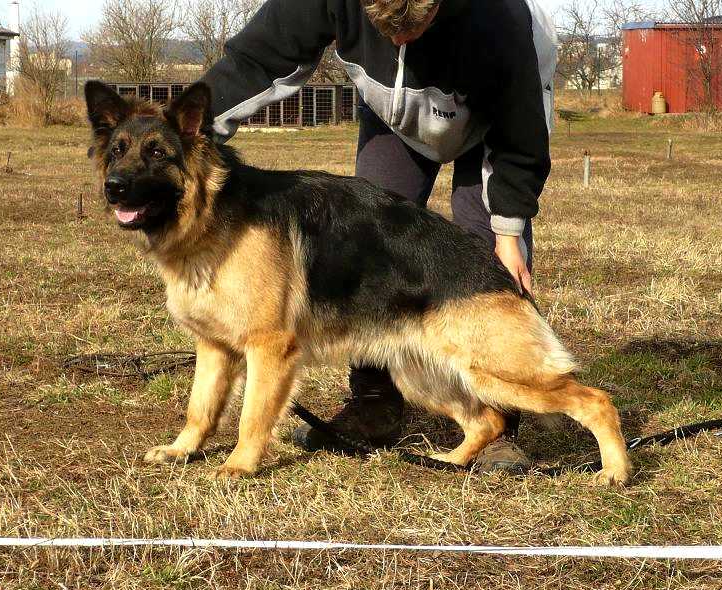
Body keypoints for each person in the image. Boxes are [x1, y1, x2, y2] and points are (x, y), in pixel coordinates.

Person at [202, 0, 557, 472]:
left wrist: (508, 233)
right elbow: (256, 59)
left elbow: (520, 134)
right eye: (386, 29)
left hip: (492, 118)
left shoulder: (499, 18)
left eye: (415, 27)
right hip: (392, 112)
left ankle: (498, 424)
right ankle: (374, 403)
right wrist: (183, 132)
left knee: (481, 259)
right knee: (365, 247)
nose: (399, 41)